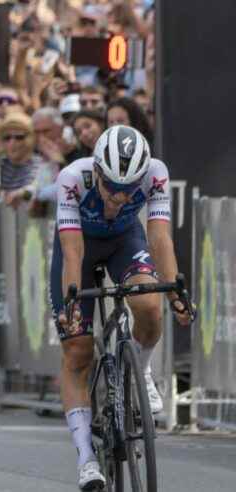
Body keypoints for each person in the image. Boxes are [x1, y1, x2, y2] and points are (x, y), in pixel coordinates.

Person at [50, 125, 195, 490]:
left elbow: (160, 236)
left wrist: (176, 290)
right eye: (111, 186)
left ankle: (141, 372)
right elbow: (72, 250)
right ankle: (86, 458)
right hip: (79, 245)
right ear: (96, 170)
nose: (117, 196)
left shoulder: (156, 174)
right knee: (78, 352)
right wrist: (71, 297)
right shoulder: (71, 179)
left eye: (128, 189)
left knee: (149, 304)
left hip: (125, 240)